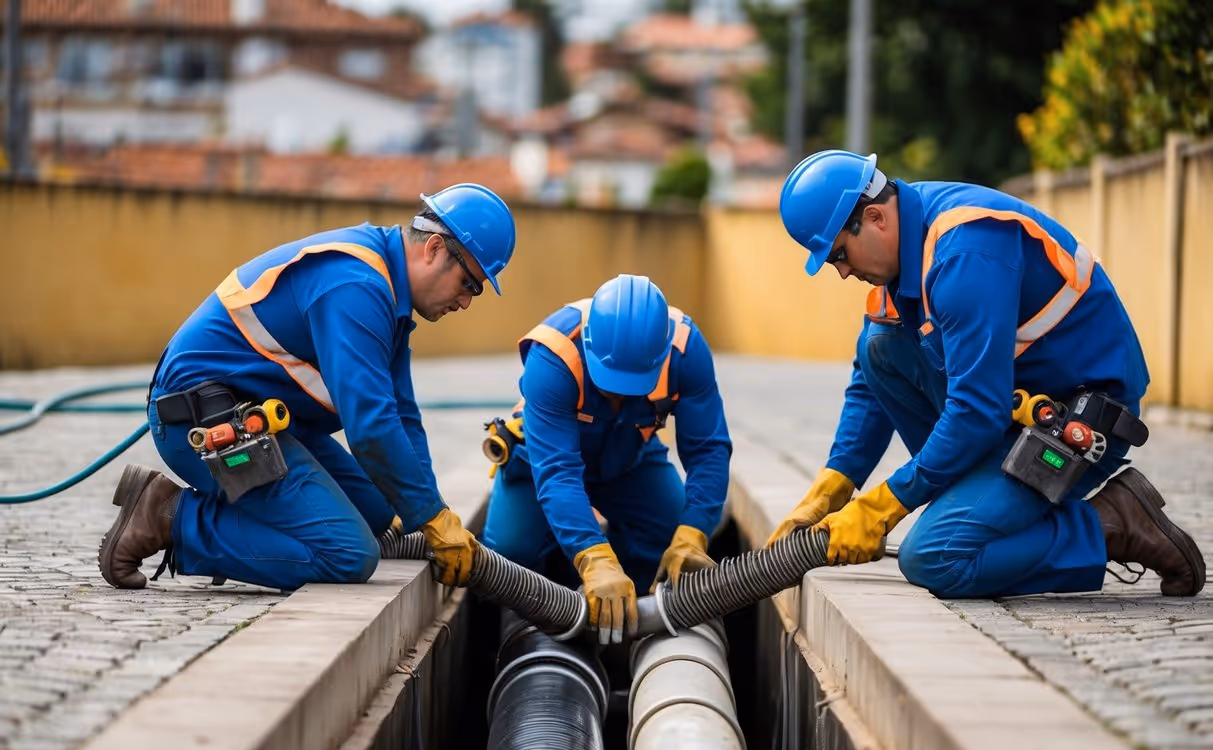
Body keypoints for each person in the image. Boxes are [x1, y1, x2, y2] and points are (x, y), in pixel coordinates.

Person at [768, 149, 1205, 598]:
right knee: (877, 343)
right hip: (1012, 414)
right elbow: (870, 380)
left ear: (875, 217)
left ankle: (1116, 524)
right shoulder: (906, 255)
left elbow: (976, 411)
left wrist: (882, 508)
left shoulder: (965, 252)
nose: (843, 272)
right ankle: (976, 502)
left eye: (840, 253)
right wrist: (831, 489)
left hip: (1078, 426)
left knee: (935, 556)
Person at [98, 183, 516, 592]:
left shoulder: (387, 290)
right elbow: (371, 425)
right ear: (434, 249)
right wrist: (432, 519)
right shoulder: (357, 286)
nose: (466, 301)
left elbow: (401, 414)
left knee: (382, 511)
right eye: (470, 283)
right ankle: (168, 515)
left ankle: (242, 520)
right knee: (347, 553)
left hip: (260, 421)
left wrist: (431, 512)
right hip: (204, 425)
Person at [481, 275, 733, 643]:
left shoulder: (684, 348)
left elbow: (708, 449)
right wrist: (593, 558)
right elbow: (558, 472)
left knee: (671, 536)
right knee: (509, 552)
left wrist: (694, 532)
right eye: (610, 382)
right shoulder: (553, 354)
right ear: (589, 344)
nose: (619, 394)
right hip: (542, 461)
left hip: (629, 459)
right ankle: (531, 630)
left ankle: (634, 626)